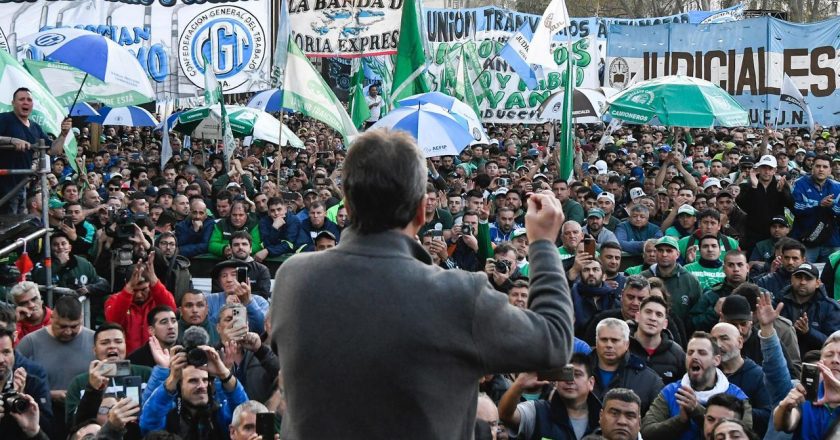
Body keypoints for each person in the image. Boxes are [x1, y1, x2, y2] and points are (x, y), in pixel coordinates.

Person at [270, 129, 575, 438]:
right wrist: (544, 245)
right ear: (421, 210)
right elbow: (555, 341)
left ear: (345, 207)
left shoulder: (292, 278)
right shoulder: (459, 295)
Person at [641, 332, 752, 440]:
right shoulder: (671, 392)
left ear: (716, 360)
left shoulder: (738, 396)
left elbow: (744, 433)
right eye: (690, 352)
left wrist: (696, 410)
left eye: (702, 353)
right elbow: (647, 432)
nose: (694, 357)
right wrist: (680, 420)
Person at [17, 296, 94, 428]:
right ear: (52, 317)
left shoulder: (94, 340)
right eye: (62, 326)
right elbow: (14, 380)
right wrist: (48, 394)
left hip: (85, 416)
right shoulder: (30, 342)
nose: (68, 332)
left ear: (81, 318)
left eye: (74, 326)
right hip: (43, 415)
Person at [139, 345, 248, 437]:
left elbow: (244, 415)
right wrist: (172, 379)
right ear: (179, 386)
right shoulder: (170, 417)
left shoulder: (218, 415)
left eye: (205, 380)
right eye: (193, 381)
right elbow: (149, 426)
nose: (202, 386)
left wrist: (223, 373)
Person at [0, 87, 72, 214]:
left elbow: (53, 150)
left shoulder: (35, 127)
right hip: (4, 185)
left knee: (19, 225)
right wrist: (12, 140)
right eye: (21, 99)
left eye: (29, 100)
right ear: (13, 103)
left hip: (23, 184)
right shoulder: (4, 118)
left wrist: (63, 134)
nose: (25, 102)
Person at [498, 353, 601, 440]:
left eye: (577, 374)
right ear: (556, 381)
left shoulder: (603, 418)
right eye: (565, 374)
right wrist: (519, 385)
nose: (570, 380)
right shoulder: (537, 411)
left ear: (591, 382)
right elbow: (506, 415)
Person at [65, 322, 152, 424]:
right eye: (104, 343)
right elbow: (72, 425)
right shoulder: (79, 383)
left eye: (118, 341)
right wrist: (92, 389)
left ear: (125, 346)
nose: (112, 346)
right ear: (94, 350)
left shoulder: (146, 374)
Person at [104, 253, 177, 353]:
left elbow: (171, 310)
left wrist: (154, 279)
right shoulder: (115, 300)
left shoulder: (158, 297)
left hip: (158, 356)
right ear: (127, 284)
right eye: (135, 290)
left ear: (150, 285)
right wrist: (128, 290)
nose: (139, 295)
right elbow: (112, 321)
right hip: (129, 359)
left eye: (143, 289)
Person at [773, 331, 840, 439]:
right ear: (820, 362)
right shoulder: (806, 394)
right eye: (829, 355)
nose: (835, 360)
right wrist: (785, 407)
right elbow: (783, 424)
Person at [588, 318, 663, 414]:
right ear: (596, 342)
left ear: (627, 344)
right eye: (604, 340)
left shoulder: (650, 380)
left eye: (614, 340)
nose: (609, 345)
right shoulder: (580, 371)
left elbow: (655, 419)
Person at [710, 323, 772, 436]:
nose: (718, 345)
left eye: (724, 338)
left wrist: (733, 411)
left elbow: (768, 415)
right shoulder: (709, 373)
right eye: (714, 340)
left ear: (740, 342)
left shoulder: (758, 375)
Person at [215, 304, 280, 403]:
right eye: (228, 320)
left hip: (258, 415)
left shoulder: (261, 351)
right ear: (218, 328)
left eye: (238, 321)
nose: (233, 324)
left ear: (247, 326)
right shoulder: (212, 354)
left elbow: (282, 376)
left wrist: (260, 350)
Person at [0, 327, 53, 440]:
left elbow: (49, 430)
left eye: (6, 352)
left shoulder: (33, 383)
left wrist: (23, 404)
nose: (1, 359)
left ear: (14, 353)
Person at [776, 262, 840, 356]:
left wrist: (809, 332)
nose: (802, 282)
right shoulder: (778, 303)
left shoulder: (830, 307)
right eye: (798, 277)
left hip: (816, 361)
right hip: (782, 358)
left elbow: (834, 343)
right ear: (791, 279)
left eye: (808, 278)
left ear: (818, 283)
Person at [736, 154, 793, 252]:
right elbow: (743, 205)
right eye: (763, 168)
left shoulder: (781, 185)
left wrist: (781, 192)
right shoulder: (747, 185)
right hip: (753, 233)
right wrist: (754, 188)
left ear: (774, 170)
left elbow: (791, 204)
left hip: (775, 233)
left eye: (770, 168)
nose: (766, 171)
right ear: (758, 169)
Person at [790, 154, 840, 263]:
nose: (821, 169)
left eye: (825, 167)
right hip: (807, 241)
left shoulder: (838, 187)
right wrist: (819, 204)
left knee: (833, 276)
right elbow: (795, 208)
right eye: (818, 166)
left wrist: (832, 206)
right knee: (804, 274)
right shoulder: (799, 184)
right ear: (812, 167)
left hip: (832, 241)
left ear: (830, 170)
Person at [641, 236, 703, 323]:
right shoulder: (643, 278)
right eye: (660, 250)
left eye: (669, 251)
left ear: (677, 254)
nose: (664, 254)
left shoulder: (690, 280)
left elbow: (697, 313)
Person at [690, 251, 753, 332]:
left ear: (747, 268)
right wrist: (714, 313)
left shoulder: (759, 294)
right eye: (731, 265)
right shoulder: (711, 295)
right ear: (723, 269)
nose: (736, 269)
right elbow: (691, 325)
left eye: (740, 265)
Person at [629, 295, 685, 383]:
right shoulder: (622, 346)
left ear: (665, 324)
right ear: (637, 316)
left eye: (659, 315)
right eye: (648, 312)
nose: (653, 318)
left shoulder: (677, 354)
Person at [206, 260, 269, 332]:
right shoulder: (209, 300)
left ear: (245, 278)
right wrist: (225, 307)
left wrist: (249, 302)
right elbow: (207, 328)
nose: (229, 280)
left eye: (234, 275)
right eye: (224, 276)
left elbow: (263, 328)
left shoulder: (260, 302)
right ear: (219, 282)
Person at [211, 231, 272, 298]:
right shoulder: (220, 269)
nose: (240, 247)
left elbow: (264, 295)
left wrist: (243, 296)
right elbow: (216, 295)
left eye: (244, 244)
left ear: (251, 249)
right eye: (236, 245)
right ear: (230, 249)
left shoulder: (262, 269)